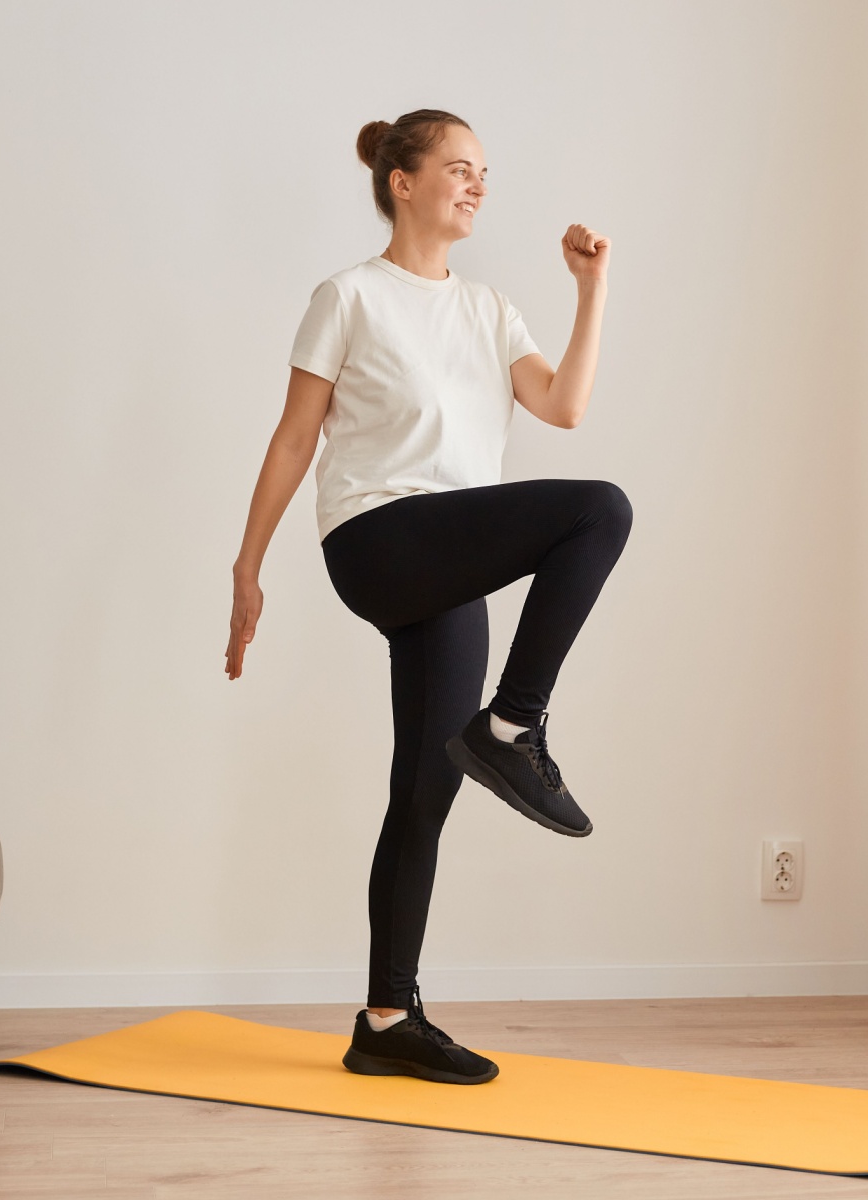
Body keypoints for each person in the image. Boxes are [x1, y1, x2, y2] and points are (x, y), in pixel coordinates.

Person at [225, 109, 632, 1085]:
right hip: (378, 537)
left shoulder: (489, 311)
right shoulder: (350, 297)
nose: (477, 184)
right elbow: (294, 439)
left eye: (485, 171)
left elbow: (566, 408)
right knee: (600, 511)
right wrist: (249, 568)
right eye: (458, 168)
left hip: (450, 555)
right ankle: (516, 725)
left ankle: (386, 1017)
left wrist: (593, 289)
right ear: (401, 181)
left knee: (425, 790)